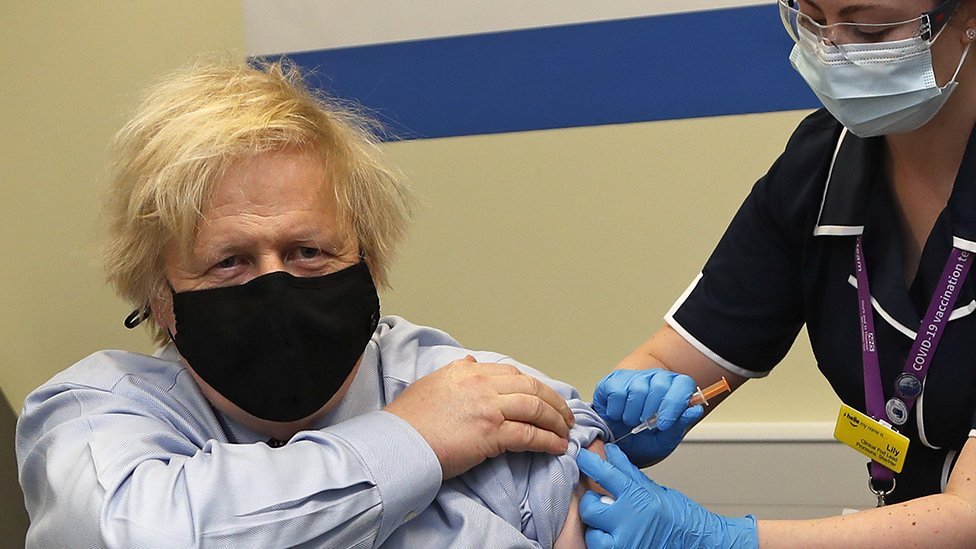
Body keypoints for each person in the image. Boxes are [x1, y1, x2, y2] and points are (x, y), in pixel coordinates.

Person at [14, 60, 610, 548]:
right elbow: (131, 535)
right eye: (230, 261)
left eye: (308, 251)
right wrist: (410, 440)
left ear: (370, 264)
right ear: (158, 298)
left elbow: (579, 474)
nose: (275, 287)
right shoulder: (95, 414)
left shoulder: (478, 393)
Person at [577, 0, 976, 546]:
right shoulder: (820, 167)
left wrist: (719, 538)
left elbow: (970, 515)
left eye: (870, 27)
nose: (834, 49)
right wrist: (623, 411)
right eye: (813, 19)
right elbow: (674, 358)